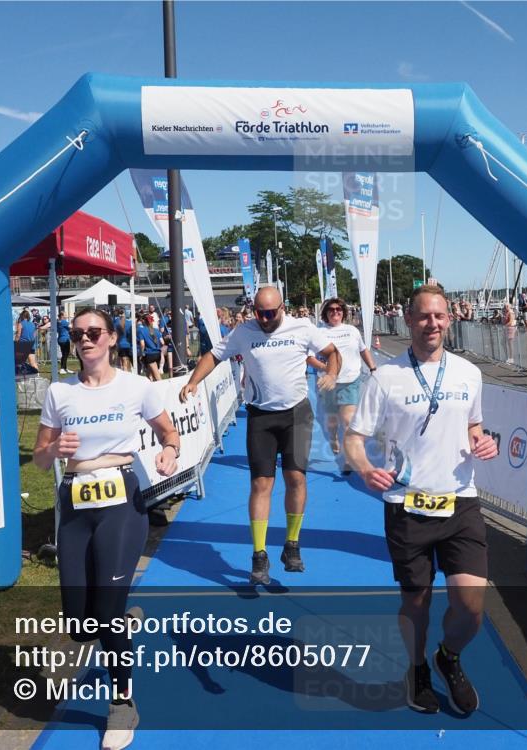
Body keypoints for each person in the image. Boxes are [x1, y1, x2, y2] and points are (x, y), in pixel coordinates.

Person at [343, 285, 499, 716]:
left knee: (471, 608)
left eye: (440, 316)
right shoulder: (384, 378)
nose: (433, 323)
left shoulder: (469, 373)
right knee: (417, 602)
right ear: (408, 321)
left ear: (450, 320)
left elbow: (474, 426)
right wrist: (363, 468)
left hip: (460, 502)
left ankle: (447, 657)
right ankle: (416, 667)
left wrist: (484, 443)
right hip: (406, 504)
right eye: (424, 316)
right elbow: (353, 438)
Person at [33, 307, 179, 750]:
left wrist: (169, 453)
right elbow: (41, 458)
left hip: (120, 501)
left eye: (94, 332)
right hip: (75, 503)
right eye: (77, 334)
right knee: (81, 626)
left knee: (108, 614)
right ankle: (118, 620)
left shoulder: (136, 387)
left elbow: (168, 433)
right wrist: (55, 447)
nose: (85, 340)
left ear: (113, 338)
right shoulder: (60, 392)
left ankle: (122, 703)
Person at [180, 287, 341, 584]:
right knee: (260, 483)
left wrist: (331, 374)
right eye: (259, 313)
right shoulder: (244, 331)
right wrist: (193, 382)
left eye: (270, 313)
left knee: (296, 479)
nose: (265, 319)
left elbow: (332, 354)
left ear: (282, 307)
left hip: (296, 413)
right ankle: (259, 554)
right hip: (261, 415)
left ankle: (291, 545)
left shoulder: (302, 328)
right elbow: (213, 356)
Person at [308, 298, 377, 469]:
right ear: (326, 313)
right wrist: (327, 367)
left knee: (348, 420)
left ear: (343, 312)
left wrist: (373, 368)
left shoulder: (352, 330)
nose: (335, 312)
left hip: (350, 381)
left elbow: (363, 350)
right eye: (331, 309)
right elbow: (309, 358)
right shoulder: (319, 332)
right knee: (332, 421)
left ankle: (347, 458)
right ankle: (333, 437)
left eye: (339, 309)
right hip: (328, 383)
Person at [137, 314, 163, 382]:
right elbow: (162, 342)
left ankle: (162, 389)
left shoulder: (141, 331)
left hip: (150, 354)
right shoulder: (156, 330)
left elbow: (142, 344)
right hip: (158, 354)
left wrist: (141, 353)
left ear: (143, 321)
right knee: (149, 375)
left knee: (157, 377)